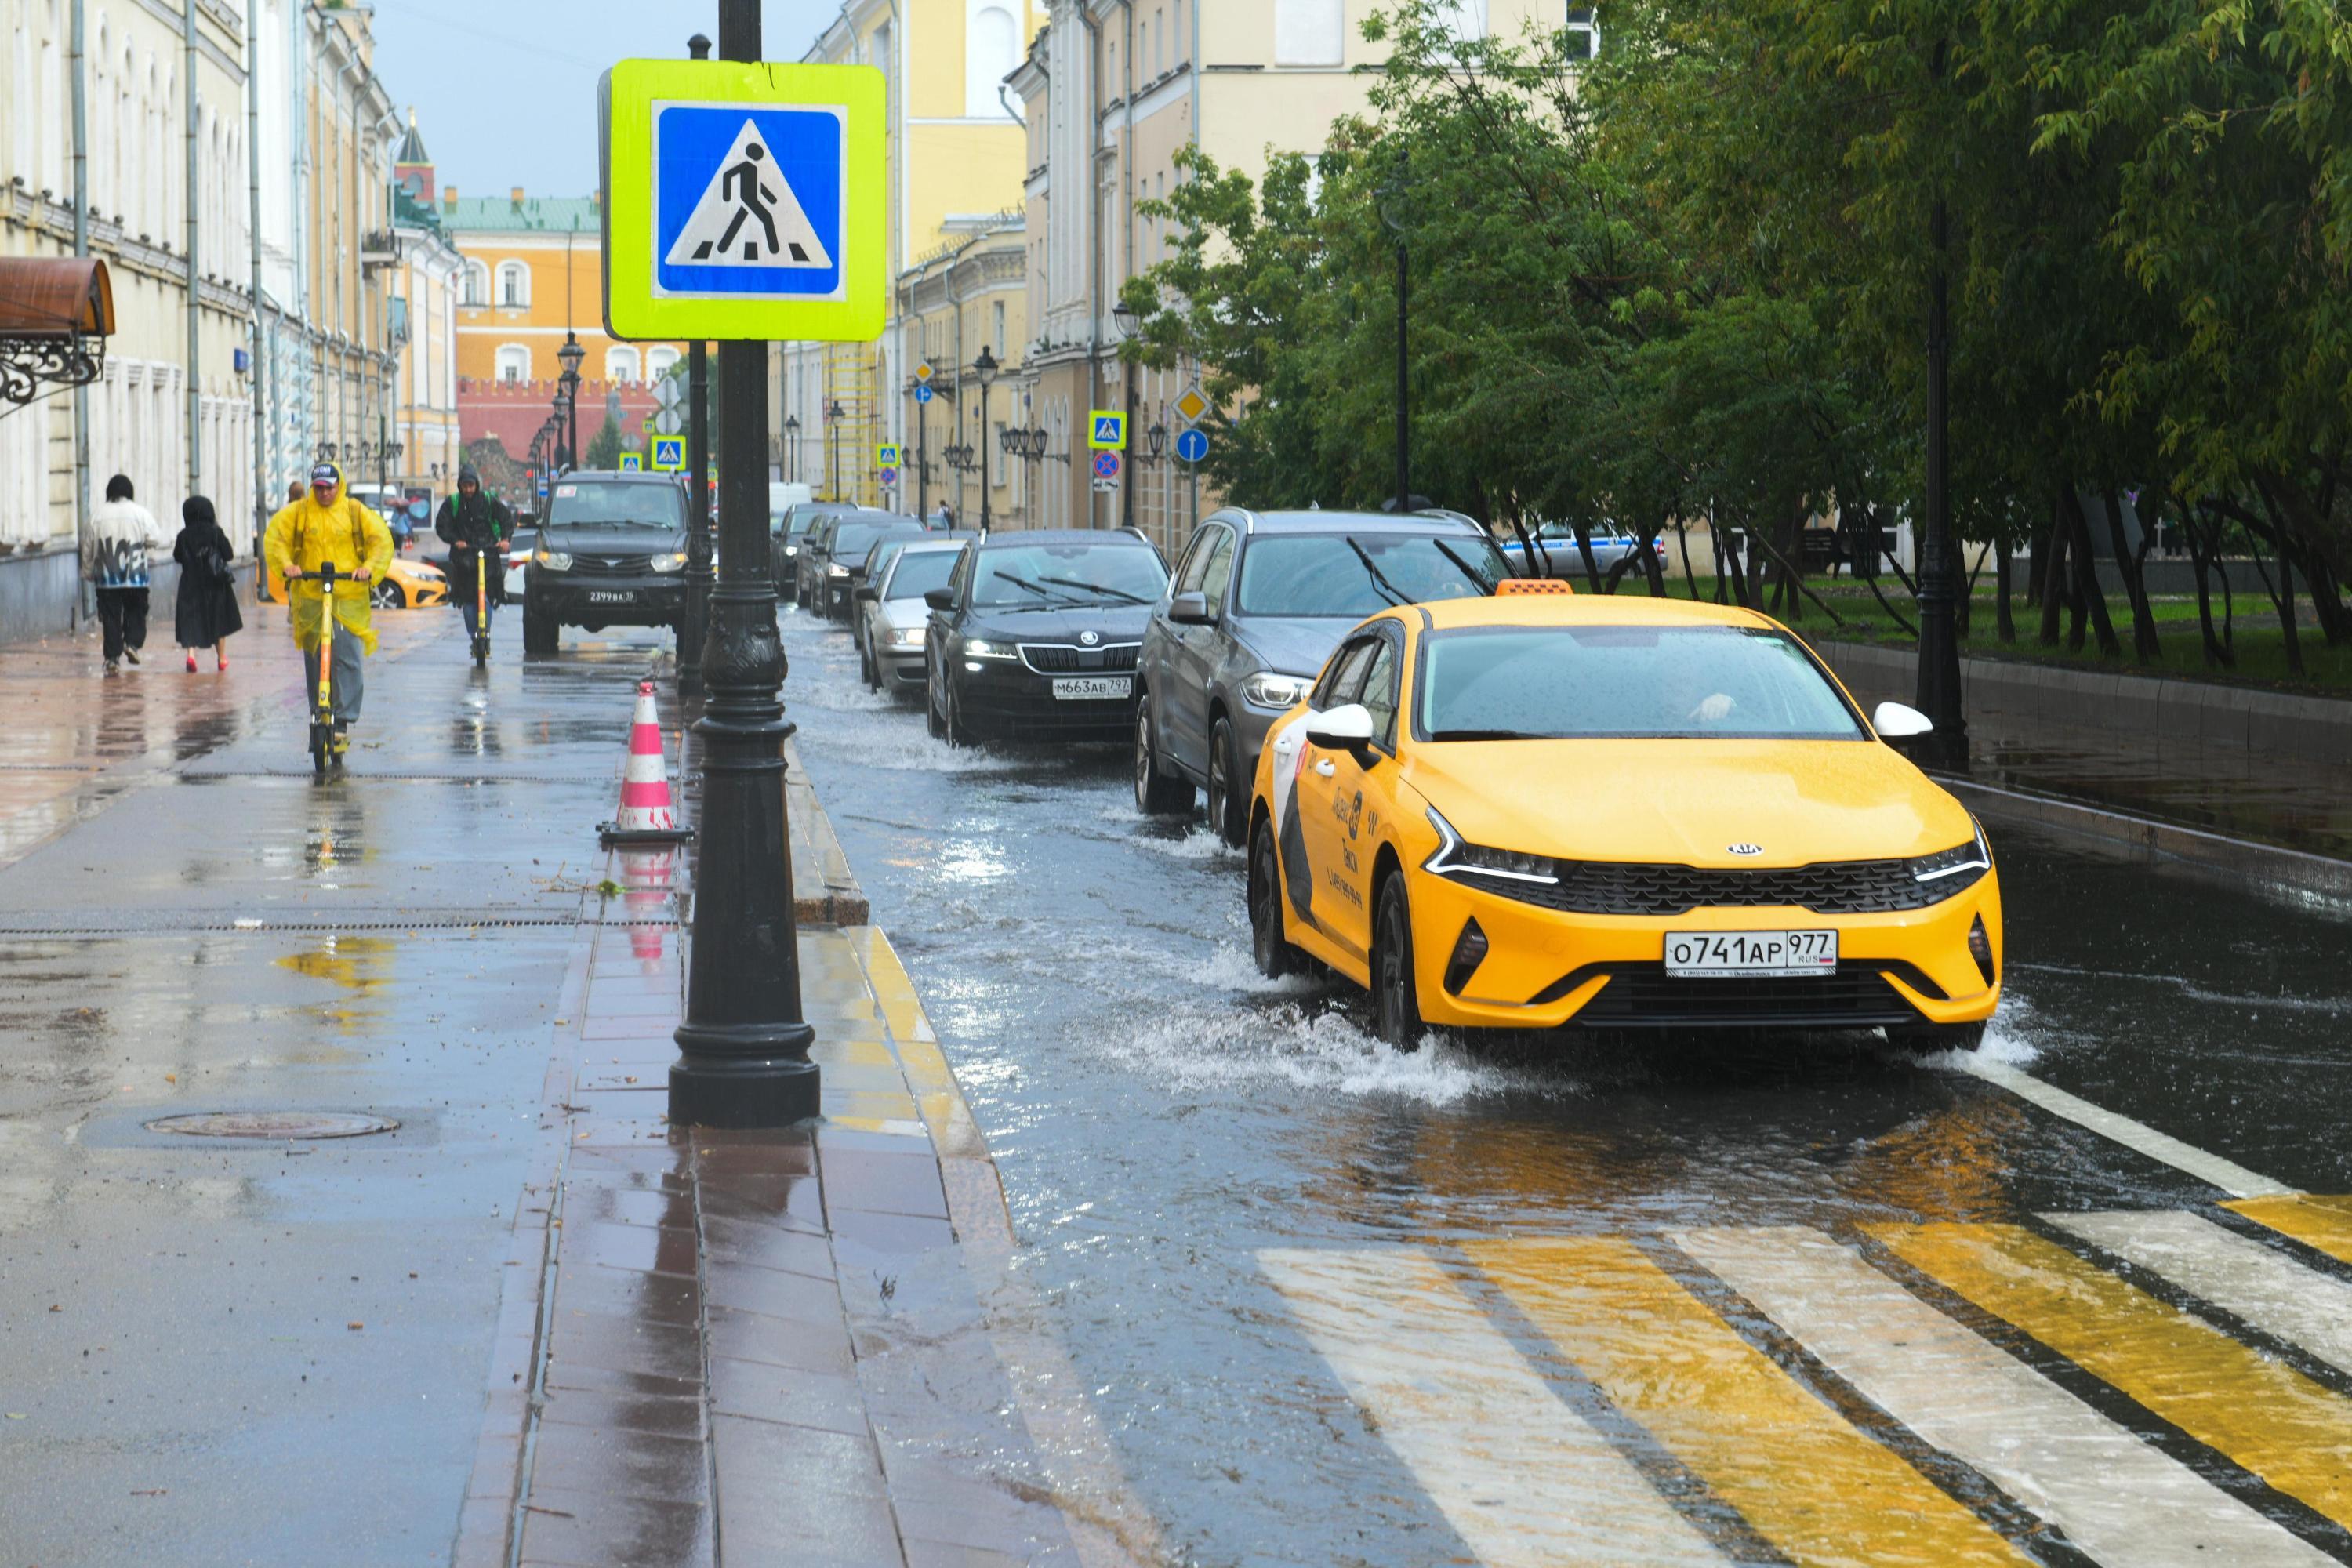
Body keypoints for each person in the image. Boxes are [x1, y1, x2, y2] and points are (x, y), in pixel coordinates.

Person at [264, 463, 393, 756]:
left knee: (347, 657)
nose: (323, 493)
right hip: (311, 593)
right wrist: (288, 565)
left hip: (347, 595)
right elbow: (277, 540)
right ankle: (318, 711)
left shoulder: (354, 511)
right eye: (318, 488)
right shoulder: (299, 512)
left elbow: (380, 542)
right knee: (314, 657)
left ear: (339, 486)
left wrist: (367, 569)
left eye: (329, 488)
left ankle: (343, 721)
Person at [83, 474, 166, 671]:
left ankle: (112, 658)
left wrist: (87, 571)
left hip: (107, 578)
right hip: (136, 577)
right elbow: (155, 538)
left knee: (110, 617)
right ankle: (132, 644)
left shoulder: (96, 516)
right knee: (136, 612)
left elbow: (88, 547)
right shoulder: (140, 514)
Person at [434, 466, 512, 644]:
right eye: (465, 486)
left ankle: (486, 633)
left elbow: (505, 518)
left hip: (489, 554)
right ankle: (473, 635)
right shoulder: (453, 502)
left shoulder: (488, 500)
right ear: (460, 486)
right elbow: (442, 526)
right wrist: (455, 541)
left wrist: (505, 539)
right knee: (468, 600)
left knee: (487, 596)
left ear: (476, 485)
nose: (468, 490)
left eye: (471, 486)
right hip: (465, 558)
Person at [172, 495, 244, 672]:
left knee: (190, 619)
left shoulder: (183, 535)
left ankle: (191, 656)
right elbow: (228, 554)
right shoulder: (215, 532)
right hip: (215, 584)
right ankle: (221, 658)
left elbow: (177, 556)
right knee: (218, 619)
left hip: (190, 584)